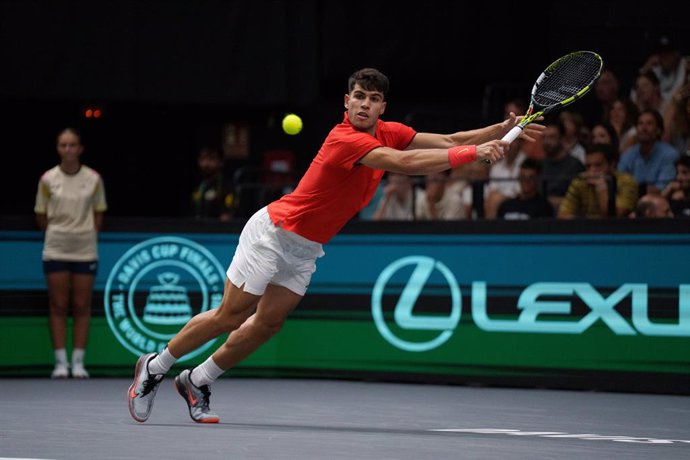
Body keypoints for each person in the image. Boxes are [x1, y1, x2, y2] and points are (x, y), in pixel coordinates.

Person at [126, 68, 543, 424]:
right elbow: (405, 164)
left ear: (382, 107)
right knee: (232, 314)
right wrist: (477, 154)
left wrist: (498, 131)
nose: (364, 104)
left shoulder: (389, 131)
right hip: (273, 232)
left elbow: (449, 140)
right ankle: (156, 366)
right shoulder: (347, 139)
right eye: (358, 96)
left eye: (373, 99)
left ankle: (197, 380)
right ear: (346, 102)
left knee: (269, 323)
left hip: (306, 246)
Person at [34, 128, 107, 379]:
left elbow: (99, 212)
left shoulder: (94, 179)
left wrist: (84, 234)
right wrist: (60, 233)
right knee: (58, 304)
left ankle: (78, 362)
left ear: (80, 148)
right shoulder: (47, 179)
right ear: (58, 148)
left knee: (81, 305)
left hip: (85, 249)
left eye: (72, 145)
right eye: (63, 145)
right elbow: (41, 214)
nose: (68, 150)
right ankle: (60, 363)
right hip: (56, 247)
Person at [558, 144, 638, 219]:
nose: (592, 171)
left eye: (598, 165)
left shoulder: (626, 182)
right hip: (588, 230)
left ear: (612, 165)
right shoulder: (580, 180)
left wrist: (601, 188)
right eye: (588, 166)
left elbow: (615, 218)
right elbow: (563, 214)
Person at [618, 109, 679, 194]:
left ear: (658, 130)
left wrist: (631, 190)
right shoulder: (629, 153)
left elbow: (663, 188)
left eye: (649, 124)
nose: (644, 128)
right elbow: (618, 180)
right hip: (630, 200)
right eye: (640, 124)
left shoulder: (669, 154)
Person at [541, 119, 585, 212]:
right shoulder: (540, 165)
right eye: (544, 137)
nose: (546, 142)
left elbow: (580, 200)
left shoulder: (575, 165)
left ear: (562, 138)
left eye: (552, 137)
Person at [191, 146, 236, 221]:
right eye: (203, 159)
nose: (206, 163)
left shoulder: (227, 186)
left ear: (221, 162)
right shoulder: (198, 186)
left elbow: (227, 217)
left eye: (211, 159)